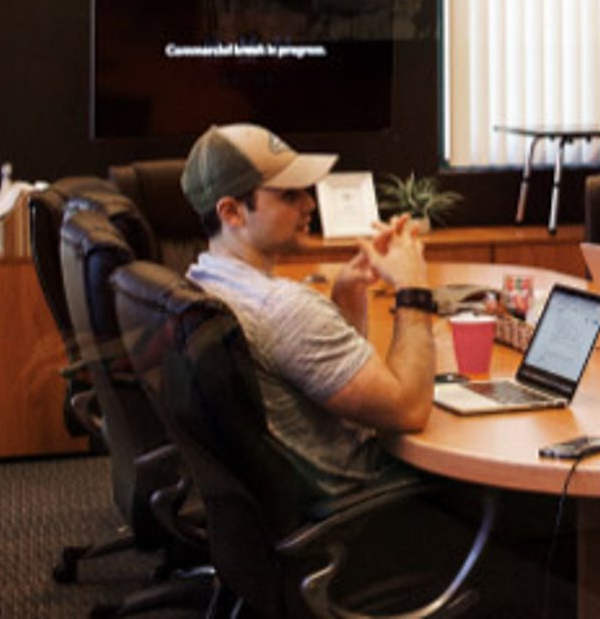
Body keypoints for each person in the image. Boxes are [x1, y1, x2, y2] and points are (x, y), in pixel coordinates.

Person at [180, 122, 437, 497]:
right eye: (289, 195)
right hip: (371, 505)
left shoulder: (202, 280)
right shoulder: (282, 310)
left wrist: (347, 294)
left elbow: (324, 379)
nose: (309, 203)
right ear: (232, 212)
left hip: (287, 507)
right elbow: (409, 410)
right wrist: (413, 289)